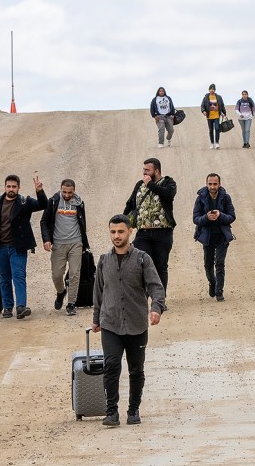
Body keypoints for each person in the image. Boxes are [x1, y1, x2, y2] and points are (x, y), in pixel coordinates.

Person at [92, 214, 166, 426]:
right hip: (110, 323)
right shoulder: (104, 260)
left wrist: (156, 308)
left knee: (136, 369)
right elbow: (98, 291)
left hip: (136, 324)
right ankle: (111, 411)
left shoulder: (143, 259)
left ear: (130, 232)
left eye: (121, 231)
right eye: (113, 232)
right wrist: (96, 318)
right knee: (112, 365)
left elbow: (155, 286)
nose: (116, 236)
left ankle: (133, 410)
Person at [0, 174, 47, 319]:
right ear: (4, 187)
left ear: (19, 188)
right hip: (0, 247)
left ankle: (21, 307)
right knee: (5, 278)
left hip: (18, 247)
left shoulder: (25, 202)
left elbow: (43, 205)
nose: (11, 189)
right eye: (8, 186)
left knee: (19, 276)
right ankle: (7, 307)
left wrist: (39, 191)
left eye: (14, 187)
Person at [122, 158, 177, 296]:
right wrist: (122, 221)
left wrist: (151, 185)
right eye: (144, 169)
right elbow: (130, 205)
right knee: (142, 265)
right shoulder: (140, 185)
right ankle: (143, 299)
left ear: (156, 171)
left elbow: (168, 195)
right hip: (143, 234)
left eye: (148, 170)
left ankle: (159, 299)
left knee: (161, 267)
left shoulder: (168, 183)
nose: (144, 172)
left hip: (163, 233)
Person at [40, 178, 90, 316]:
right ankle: (61, 292)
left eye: (70, 192)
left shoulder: (79, 203)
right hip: (58, 244)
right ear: (60, 189)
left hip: (76, 243)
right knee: (56, 275)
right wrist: (46, 239)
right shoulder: (54, 201)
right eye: (64, 192)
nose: (67, 195)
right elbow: (44, 221)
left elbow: (82, 223)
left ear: (74, 191)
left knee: (75, 274)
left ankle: (71, 304)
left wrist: (85, 244)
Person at [192, 173, 236, 301]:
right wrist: (206, 217)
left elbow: (232, 217)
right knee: (208, 264)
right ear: (206, 184)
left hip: (222, 235)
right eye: (210, 184)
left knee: (220, 263)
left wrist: (220, 215)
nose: (212, 186)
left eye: (215, 184)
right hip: (207, 236)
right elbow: (195, 218)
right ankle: (212, 282)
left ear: (219, 184)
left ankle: (219, 291)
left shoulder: (226, 198)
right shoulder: (200, 199)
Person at [199, 83, 226, 149]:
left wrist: (224, 113)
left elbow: (222, 105)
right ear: (209, 90)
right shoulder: (206, 97)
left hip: (216, 115)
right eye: (211, 89)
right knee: (211, 130)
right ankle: (212, 143)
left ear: (215, 90)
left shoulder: (219, 97)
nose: (212, 90)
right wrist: (203, 111)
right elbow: (202, 106)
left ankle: (217, 143)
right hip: (209, 116)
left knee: (217, 128)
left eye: (213, 89)